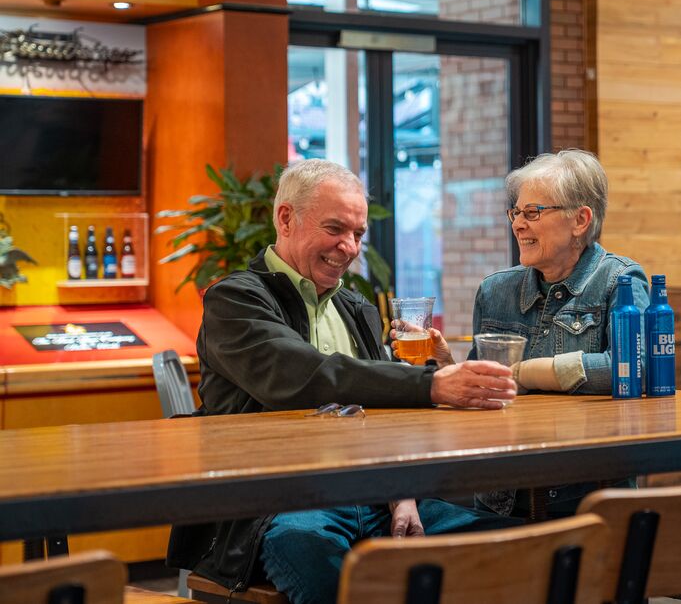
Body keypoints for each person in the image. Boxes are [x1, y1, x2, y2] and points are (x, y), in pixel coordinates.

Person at [166, 159, 518, 604]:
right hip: (278, 509)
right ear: (286, 218)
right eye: (335, 229)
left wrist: (402, 495)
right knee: (324, 563)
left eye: (358, 234)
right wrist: (430, 385)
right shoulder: (235, 300)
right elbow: (304, 375)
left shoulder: (357, 307)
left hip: (375, 498)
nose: (349, 248)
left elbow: (383, 418)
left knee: (528, 547)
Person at [472, 149, 650, 517]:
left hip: (586, 501)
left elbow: (634, 370)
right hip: (499, 501)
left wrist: (526, 372)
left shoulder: (620, 281)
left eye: (533, 212)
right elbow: (479, 396)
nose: (518, 224)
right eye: (515, 213)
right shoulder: (494, 291)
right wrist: (445, 366)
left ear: (580, 220)